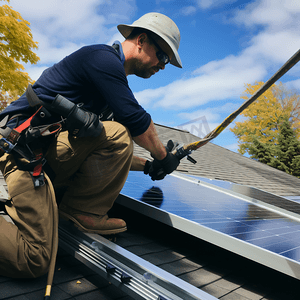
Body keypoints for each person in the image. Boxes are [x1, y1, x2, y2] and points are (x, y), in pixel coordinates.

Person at [0, 12, 182, 279]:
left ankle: (78, 211)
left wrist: (149, 165)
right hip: (19, 156)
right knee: (34, 259)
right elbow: (135, 121)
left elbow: (104, 150)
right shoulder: (100, 59)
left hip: (44, 158)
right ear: (142, 40)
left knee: (115, 135)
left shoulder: (104, 91)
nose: (163, 66)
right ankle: (82, 211)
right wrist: (164, 156)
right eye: (163, 56)